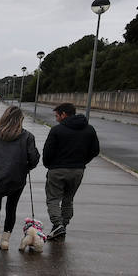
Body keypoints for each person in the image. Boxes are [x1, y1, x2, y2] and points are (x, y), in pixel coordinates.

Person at [0, 104, 40, 250]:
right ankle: (5, 242)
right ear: (20, 120)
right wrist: (26, 167)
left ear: (4, 117)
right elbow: (34, 159)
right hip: (17, 178)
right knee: (11, 208)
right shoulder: (28, 136)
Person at [41, 102, 100, 240]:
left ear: (64, 114)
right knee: (68, 199)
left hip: (57, 170)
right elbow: (95, 150)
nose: (56, 119)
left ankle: (57, 225)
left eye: (57, 116)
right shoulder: (89, 129)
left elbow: (47, 152)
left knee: (53, 199)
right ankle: (63, 226)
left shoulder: (57, 130)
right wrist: (82, 162)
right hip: (78, 170)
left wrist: (49, 165)